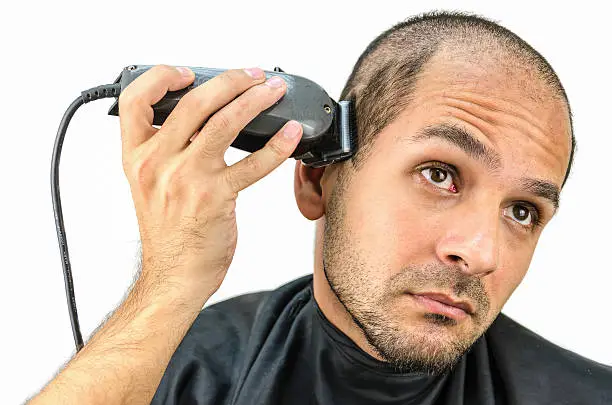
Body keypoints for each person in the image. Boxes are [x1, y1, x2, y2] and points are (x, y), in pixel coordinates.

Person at [28, 11, 611, 405]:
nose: (480, 252)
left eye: (523, 212)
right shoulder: (185, 373)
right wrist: (168, 287)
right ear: (316, 179)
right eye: (440, 174)